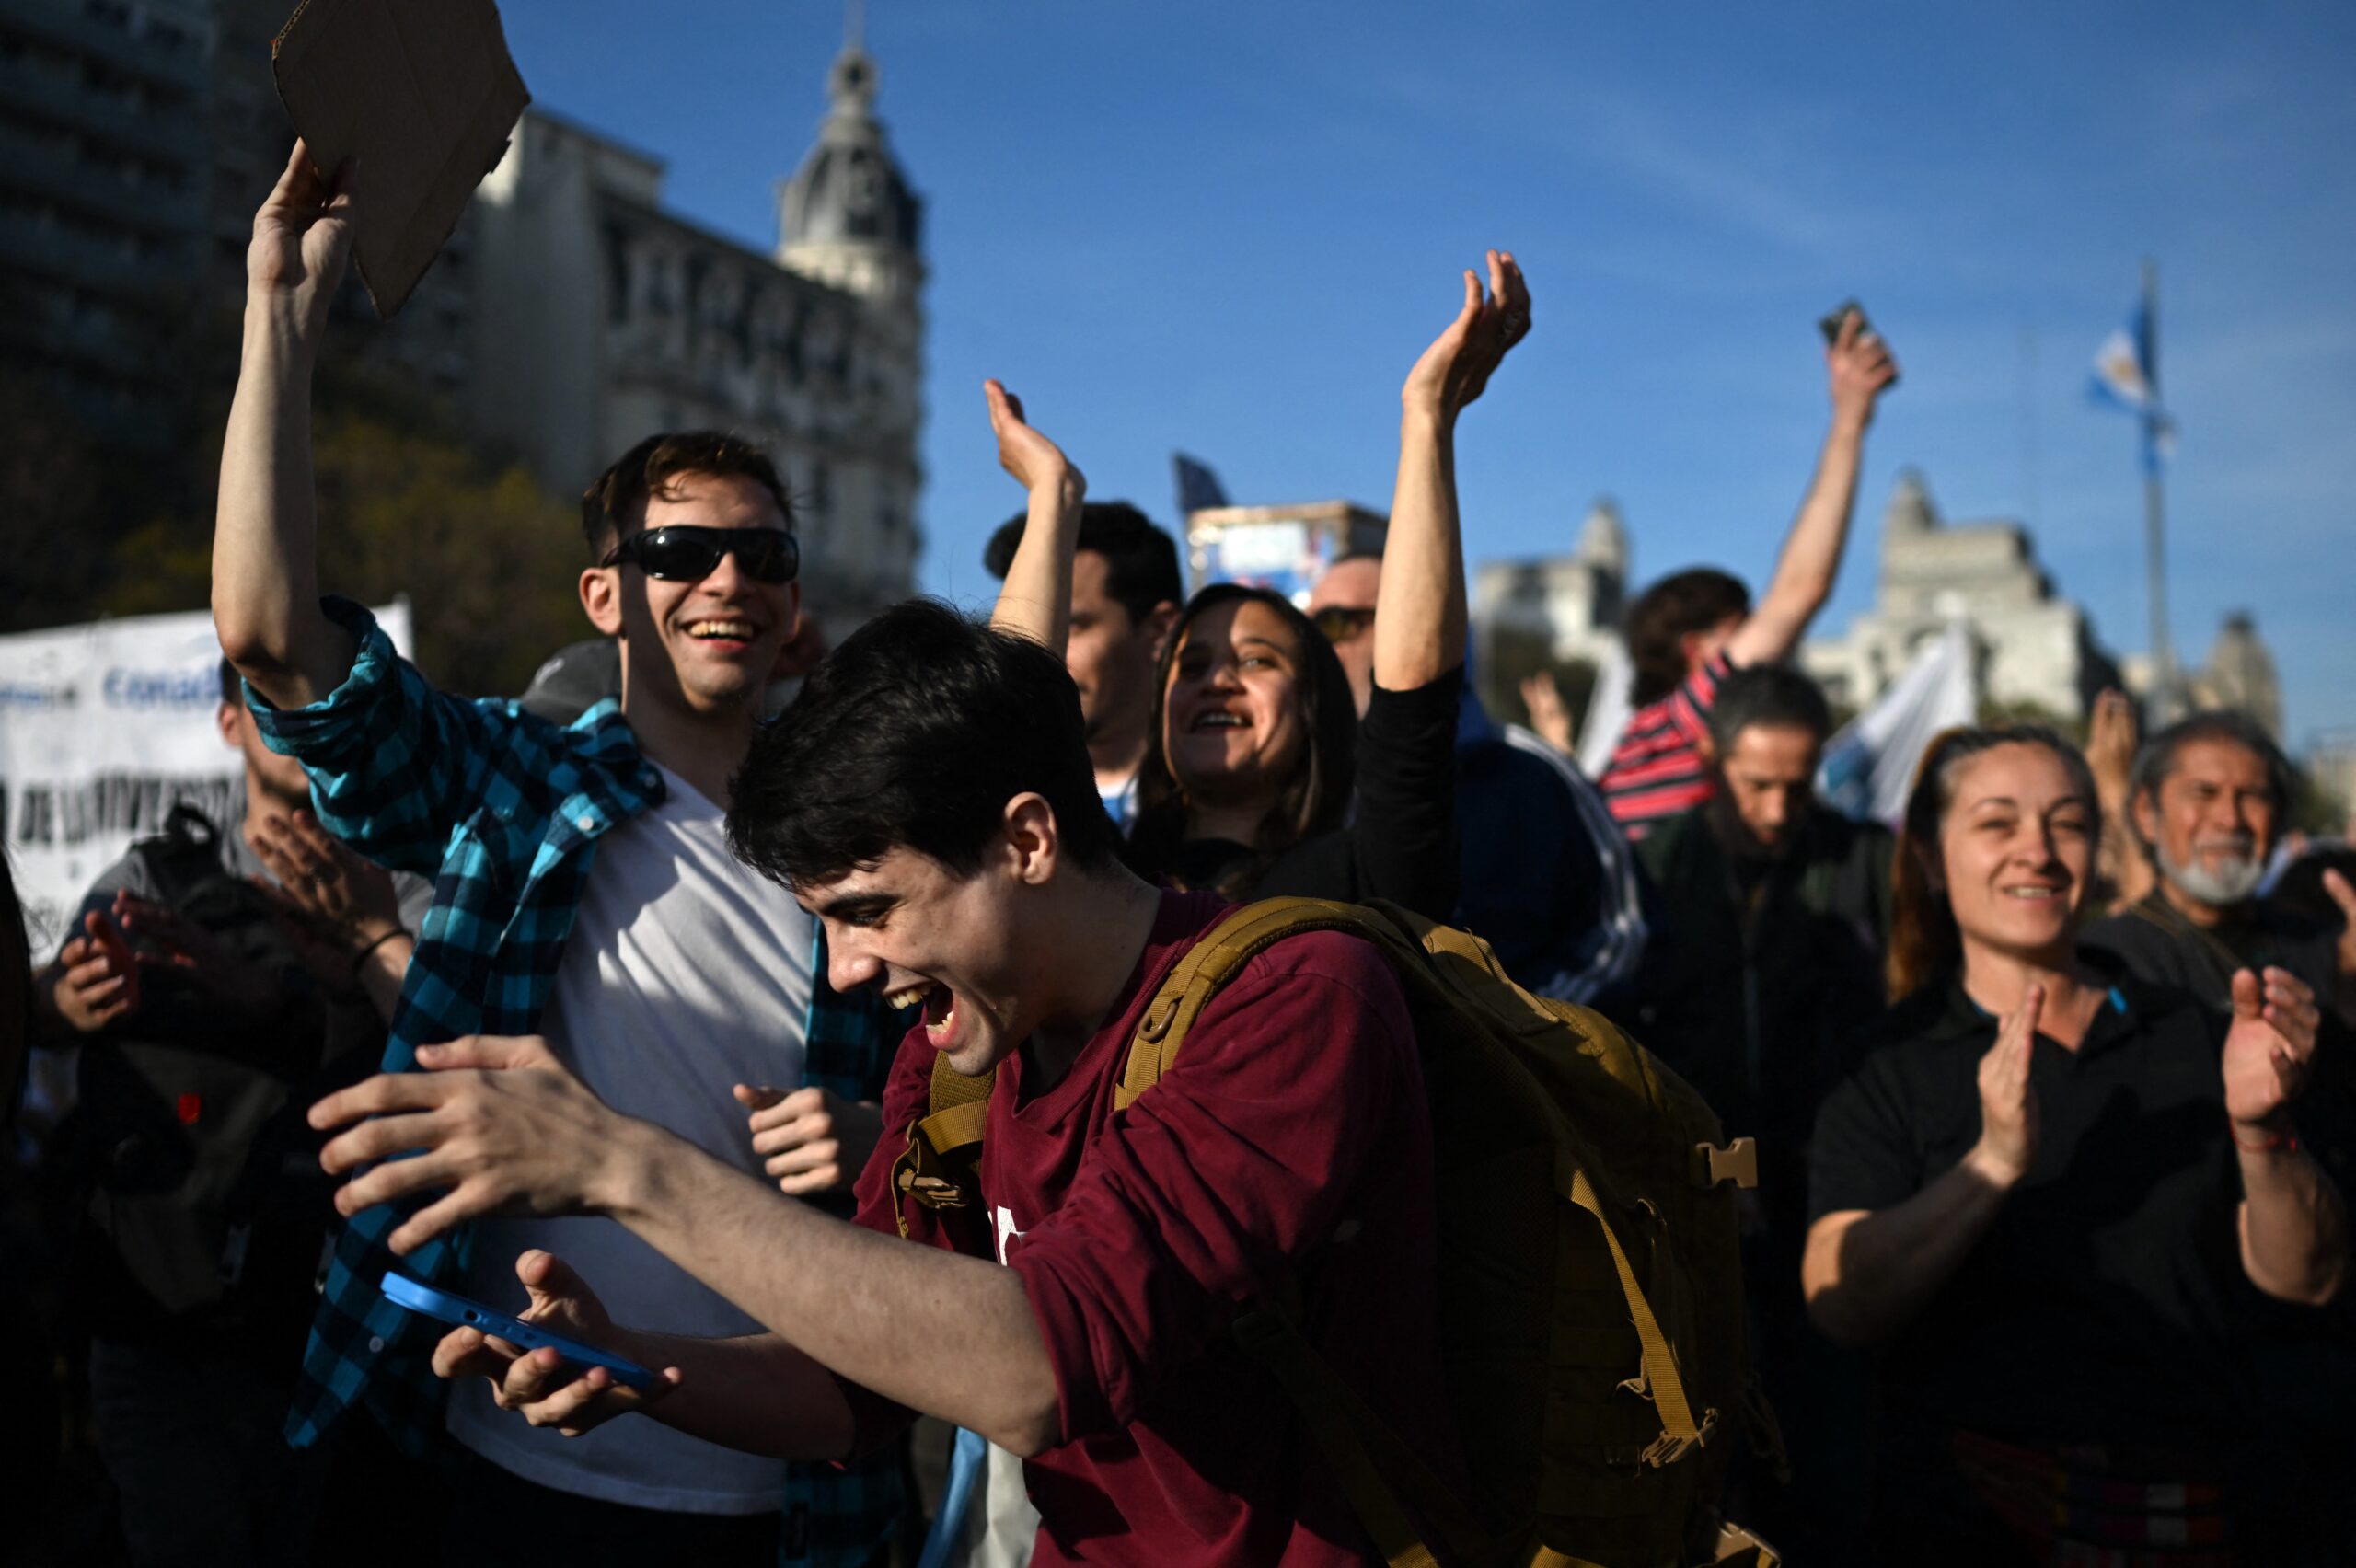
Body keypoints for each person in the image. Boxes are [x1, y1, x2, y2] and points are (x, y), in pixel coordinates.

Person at [308, 593, 1464, 1568]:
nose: (849, 973)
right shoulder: (960, 1048)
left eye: (869, 912)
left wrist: (623, 1166)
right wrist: (636, 1366)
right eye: (823, 926)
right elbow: (847, 1387)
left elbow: (1040, 1366)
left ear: (1025, 839)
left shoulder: (1294, 997)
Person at [210, 143, 964, 1564]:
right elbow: (270, 640)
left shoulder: (869, 854)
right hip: (507, 1465)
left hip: (795, 1498)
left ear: (799, 604)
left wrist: (890, 1152)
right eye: (681, 553)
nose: (727, 579)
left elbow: (993, 1121)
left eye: (763, 556)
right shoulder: (515, 785)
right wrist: (279, 323)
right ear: (608, 596)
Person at [1804, 725, 2345, 1560]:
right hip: (1969, 1522)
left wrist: (2262, 1129)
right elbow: (1840, 1302)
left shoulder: (2200, 1035)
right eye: (1997, 823)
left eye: (2066, 822)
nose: (2038, 852)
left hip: (2201, 1503)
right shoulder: (1885, 1065)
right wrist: (1990, 1168)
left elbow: (2307, 1278)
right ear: (1932, 861)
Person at [27, 657, 428, 1567]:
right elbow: (40, 1021)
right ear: (226, 723)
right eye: (270, 696)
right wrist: (69, 1001)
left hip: (337, 1338)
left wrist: (303, 994)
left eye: (322, 695)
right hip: (156, 1328)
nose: (299, 717)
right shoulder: (150, 878)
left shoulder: (404, 892)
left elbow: (448, 1062)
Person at [1120, 252, 1532, 921]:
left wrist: (1428, 417)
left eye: (1257, 660)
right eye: (1191, 665)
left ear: (1316, 709)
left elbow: (1414, 713)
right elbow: (1015, 732)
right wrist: (1055, 497)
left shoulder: (1359, 878)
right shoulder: (1094, 876)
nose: (1217, 680)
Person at [1628, 662, 1888, 1559]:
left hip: (1834, 1199)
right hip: (1688, 1206)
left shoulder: (1862, 863)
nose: (1779, 810)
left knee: (1829, 1448)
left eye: (1798, 784)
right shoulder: (1651, 868)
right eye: (1755, 784)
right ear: (1710, 759)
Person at [1598, 310, 1899, 839]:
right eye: (1744, 628)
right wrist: (1850, 419)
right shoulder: (1686, 723)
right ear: (1699, 652)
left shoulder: (1634, 747)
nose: (1770, 642)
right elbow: (1800, 591)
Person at [1306, 552, 1646, 1002]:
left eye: (1333, 623)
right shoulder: (1294, 784)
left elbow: (1618, 936)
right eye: (1304, 626)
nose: (1311, 645)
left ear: (1416, 623)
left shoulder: (1533, 774)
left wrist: (1514, 1036)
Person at [2084, 709, 2354, 1023]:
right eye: (2204, 793)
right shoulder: (2101, 961)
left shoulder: (2324, 948)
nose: (2230, 819)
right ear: (2147, 812)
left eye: (2252, 796)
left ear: (2279, 818)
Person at [983, 502, 1182, 834]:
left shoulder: (1228, 806)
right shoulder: (985, 813)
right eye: (1023, 629)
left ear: (1160, 629)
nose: (1044, 651)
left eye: (1069, 627)